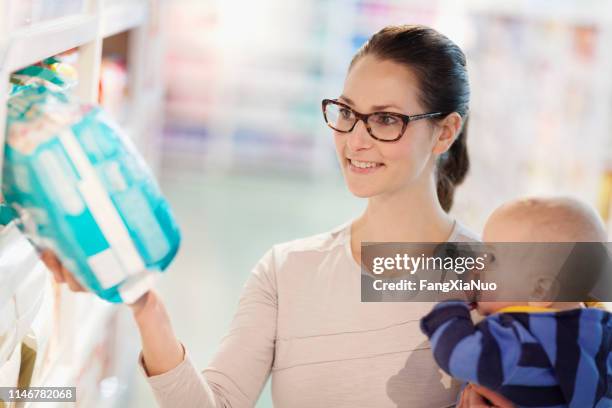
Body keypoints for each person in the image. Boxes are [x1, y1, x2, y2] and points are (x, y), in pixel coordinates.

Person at [42, 25, 510, 407]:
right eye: (347, 112)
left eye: (386, 119)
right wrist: (145, 306)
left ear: (446, 131)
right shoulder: (286, 270)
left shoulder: (496, 277)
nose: (355, 139)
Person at [420, 197, 612, 407]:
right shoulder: (601, 333)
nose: (476, 265)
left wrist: (451, 304)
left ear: (540, 290)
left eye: (491, 257)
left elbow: (456, 353)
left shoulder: (519, 338)